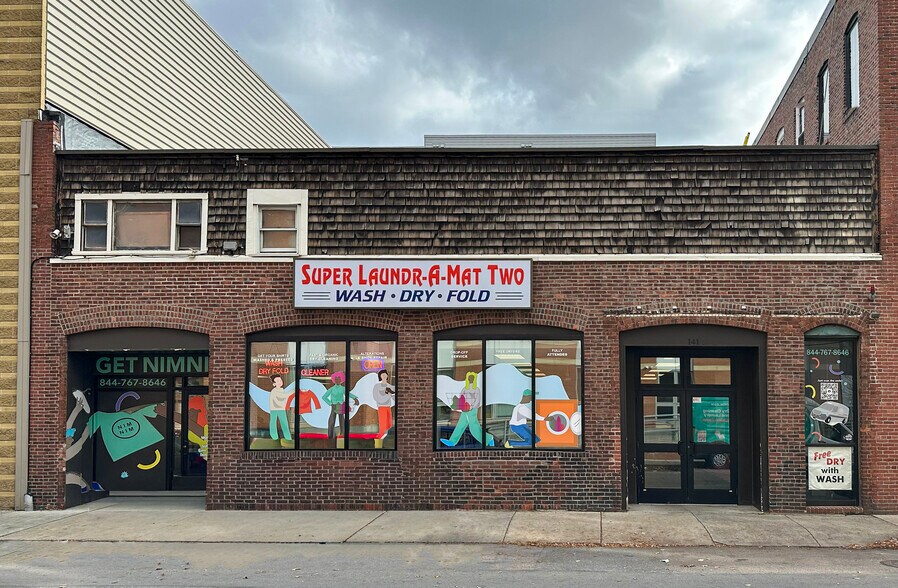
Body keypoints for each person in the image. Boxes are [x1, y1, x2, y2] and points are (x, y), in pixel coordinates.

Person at [441, 372, 494, 447]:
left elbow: (477, 401)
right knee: (460, 425)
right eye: (469, 378)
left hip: (472, 410)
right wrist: (458, 406)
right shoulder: (464, 389)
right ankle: (452, 442)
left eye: (471, 378)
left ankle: (489, 438)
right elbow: (461, 399)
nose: (470, 379)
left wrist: (472, 406)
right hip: (465, 410)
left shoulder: (476, 390)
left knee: (474, 429)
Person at [321, 371, 357, 439]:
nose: (337, 380)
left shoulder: (343, 389)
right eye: (336, 379)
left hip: (340, 405)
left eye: (339, 379)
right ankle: (330, 435)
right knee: (331, 420)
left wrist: (355, 398)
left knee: (342, 420)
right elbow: (324, 397)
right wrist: (330, 403)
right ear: (334, 380)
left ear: (341, 380)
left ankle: (342, 434)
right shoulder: (332, 389)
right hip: (334, 405)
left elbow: (348, 394)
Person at [372, 369, 395, 446]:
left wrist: (391, 394)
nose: (384, 376)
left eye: (385, 374)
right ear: (380, 376)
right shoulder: (377, 386)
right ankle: (379, 440)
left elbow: (394, 397)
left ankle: (385, 437)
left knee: (389, 423)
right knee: (383, 423)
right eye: (382, 375)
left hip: (388, 406)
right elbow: (376, 397)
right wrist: (387, 395)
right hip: (381, 407)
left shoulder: (390, 386)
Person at [268, 375, 293, 442]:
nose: (280, 382)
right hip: (274, 409)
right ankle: (274, 437)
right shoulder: (274, 391)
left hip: (281, 409)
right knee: (273, 423)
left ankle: (288, 437)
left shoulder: (281, 390)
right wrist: (292, 391)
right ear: (274, 384)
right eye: (277, 381)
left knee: (284, 423)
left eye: (280, 380)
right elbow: (283, 396)